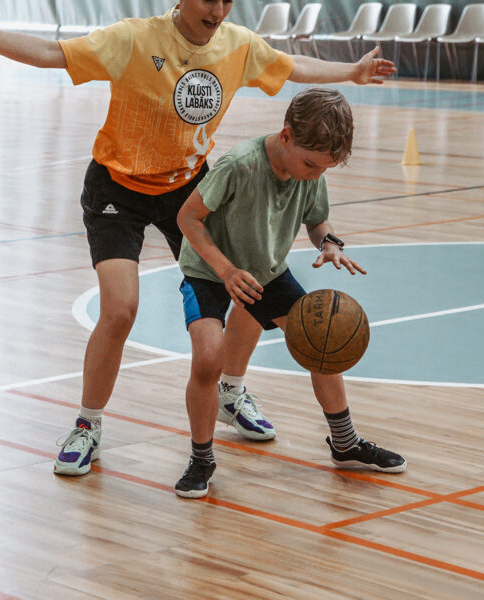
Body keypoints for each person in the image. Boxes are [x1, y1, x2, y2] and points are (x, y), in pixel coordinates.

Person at [0, 0, 398, 477]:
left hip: (186, 184)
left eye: (227, 0)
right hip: (118, 187)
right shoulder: (134, 39)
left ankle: (232, 392)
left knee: (252, 278)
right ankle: (88, 425)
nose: (219, 9)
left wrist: (353, 71)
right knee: (119, 311)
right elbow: (51, 51)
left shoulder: (237, 46)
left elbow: (292, 66)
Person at [175, 88, 407, 498]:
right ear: (285, 137)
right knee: (209, 359)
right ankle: (201, 457)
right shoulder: (239, 165)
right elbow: (188, 218)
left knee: (324, 340)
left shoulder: (310, 172)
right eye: (311, 164)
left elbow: (318, 222)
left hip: (265, 270)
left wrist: (330, 244)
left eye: (325, 169)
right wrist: (226, 271)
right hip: (211, 271)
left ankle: (345, 443)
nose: (316, 174)